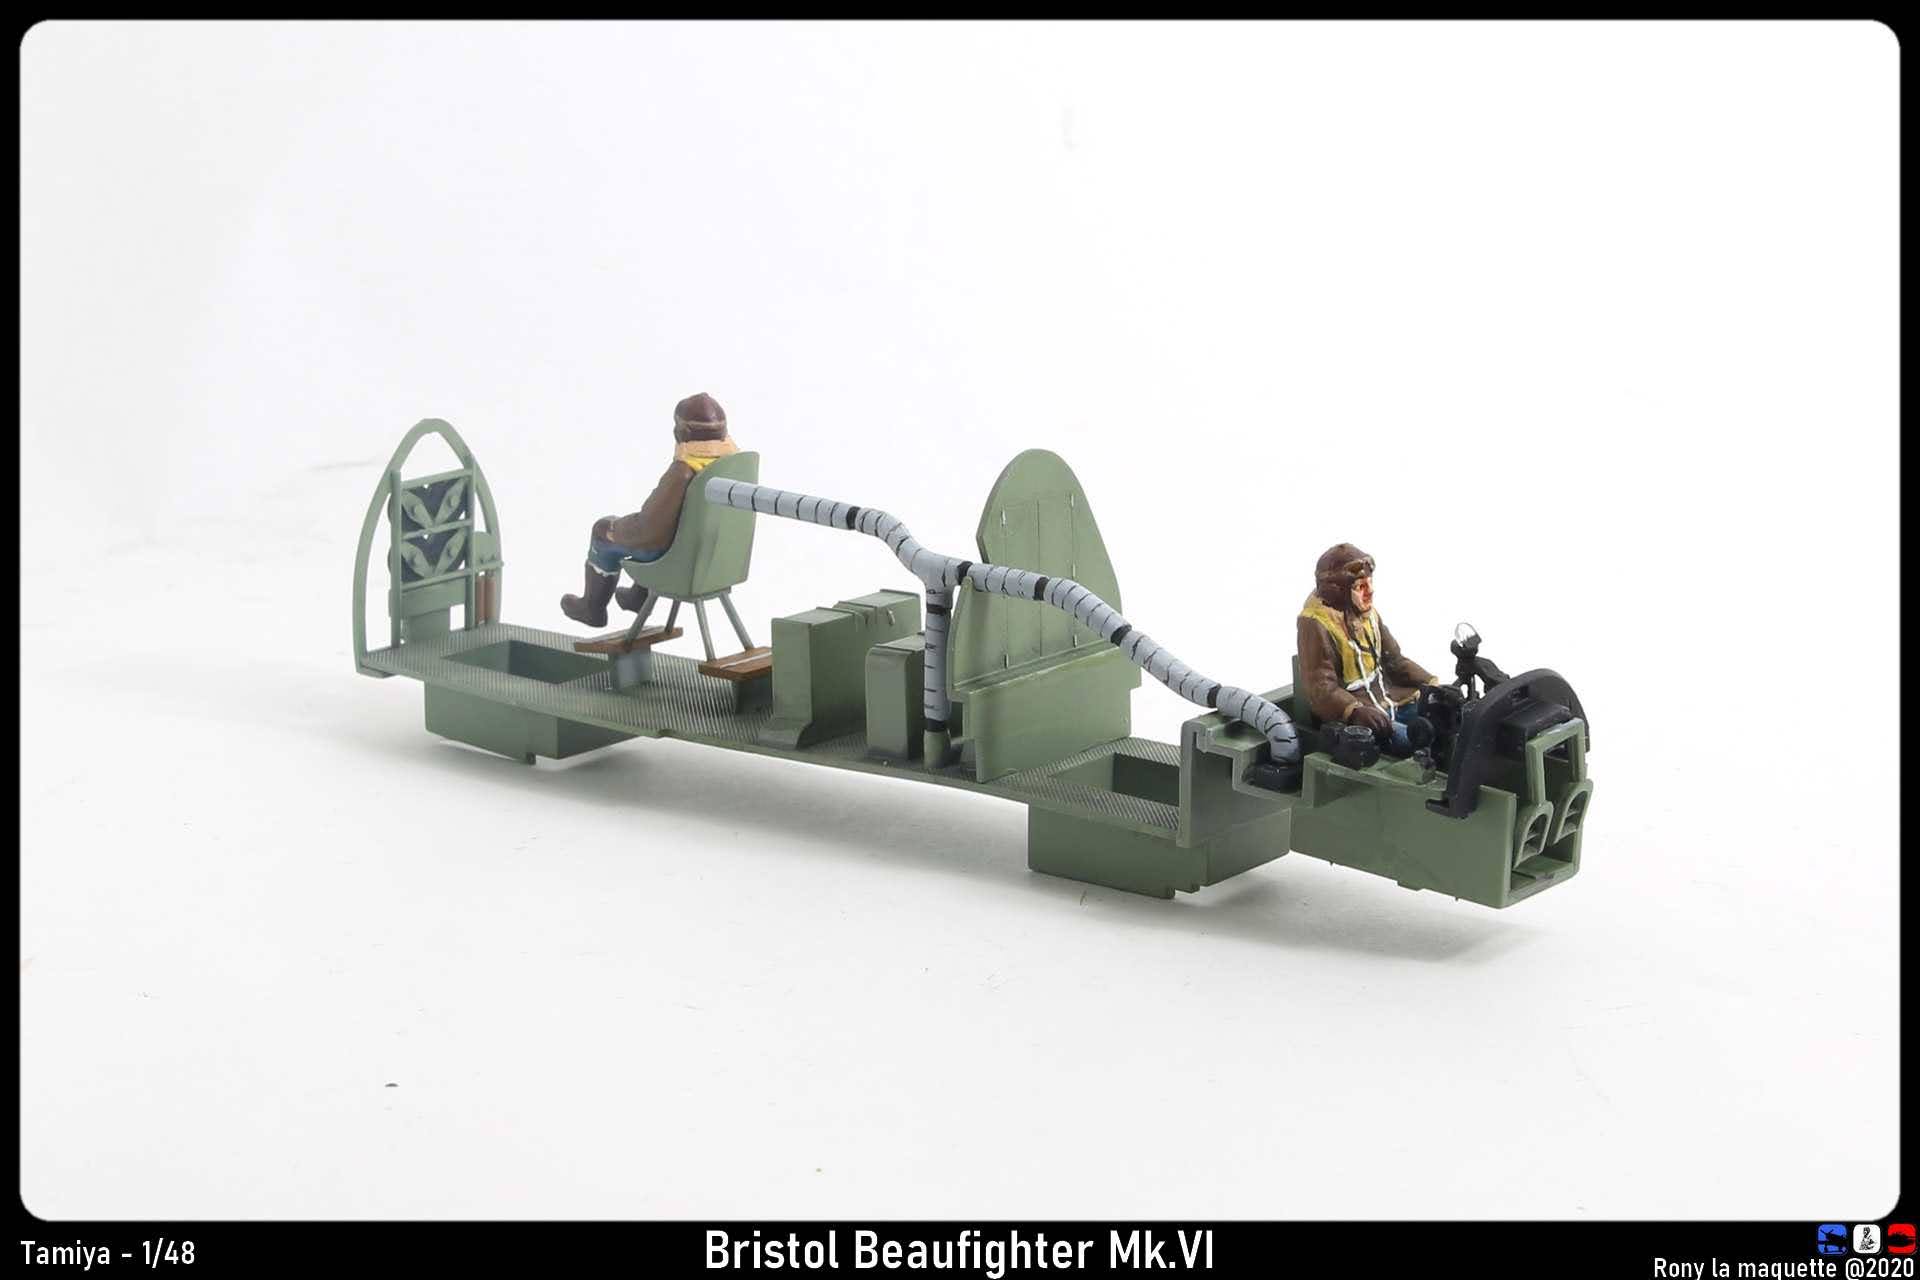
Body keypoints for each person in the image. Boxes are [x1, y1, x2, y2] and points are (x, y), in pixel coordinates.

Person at [559, 392, 740, 628]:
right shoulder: (733, 465)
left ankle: (592, 608)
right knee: (660, 528)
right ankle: (637, 597)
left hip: (676, 556)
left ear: (683, 432)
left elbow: (649, 531)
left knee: (604, 531)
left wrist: (615, 529)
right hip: (713, 557)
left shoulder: (684, 472)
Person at [1296, 543, 1441, 755]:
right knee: (1416, 746)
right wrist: (1354, 711)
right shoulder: (1315, 624)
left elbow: (1395, 661)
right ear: (1339, 591)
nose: (1370, 591)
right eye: (1360, 587)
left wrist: (1432, 684)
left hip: (1390, 700)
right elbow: (1322, 690)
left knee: (1440, 721)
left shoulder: (1368, 615)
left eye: (1369, 583)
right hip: (1358, 715)